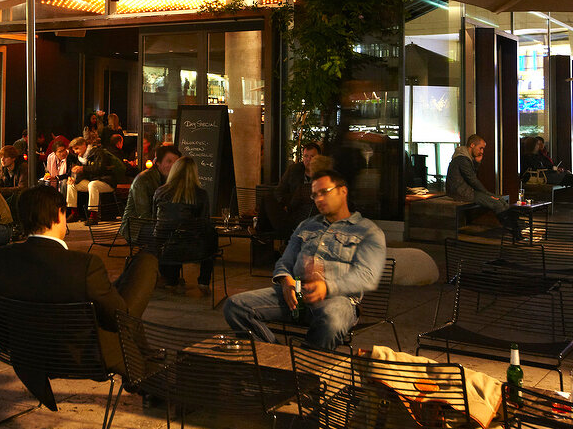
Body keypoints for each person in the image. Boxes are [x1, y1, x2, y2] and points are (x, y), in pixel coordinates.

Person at [0, 186, 157, 380]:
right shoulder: (83, 265)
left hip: (26, 354)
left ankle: (148, 365)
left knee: (112, 290)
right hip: (82, 357)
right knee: (146, 263)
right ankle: (147, 372)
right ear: (59, 214)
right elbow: (119, 320)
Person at [223, 170, 385, 350]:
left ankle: (303, 366)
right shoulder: (307, 225)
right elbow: (285, 261)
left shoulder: (367, 231)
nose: (319, 199)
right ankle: (280, 358)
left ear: (343, 191)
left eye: (325, 192)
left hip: (337, 299)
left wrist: (327, 286)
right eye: (315, 195)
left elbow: (367, 275)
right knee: (235, 306)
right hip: (295, 294)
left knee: (332, 319)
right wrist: (286, 281)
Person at [152, 157, 216, 294]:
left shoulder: (160, 192)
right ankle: (203, 281)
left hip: (161, 248)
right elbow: (205, 223)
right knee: (212, 235)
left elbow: (154, 219)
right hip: (191, 249)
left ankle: (171, 280)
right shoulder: (200, 194)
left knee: (172, 233)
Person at [445, 134, 515, 232]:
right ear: (472, 145)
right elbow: (472, 180)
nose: (482, 152)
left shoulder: (465, 158)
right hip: (461, 193)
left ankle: (514, 227)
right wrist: (487, 193)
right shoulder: (462, 159)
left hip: (466, 190)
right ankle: (512, 231)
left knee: (501, 200)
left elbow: (471, 177)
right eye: (480, 148)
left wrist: (476, 163)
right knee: (497, 203)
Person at [261, 142, 321, 239]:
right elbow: (279, 191)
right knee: (267, 198)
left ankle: (261, 233)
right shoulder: (294, 170)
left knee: (266, 200)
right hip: (292, 210)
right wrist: (284, 204)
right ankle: (261, 234)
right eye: (306, 156)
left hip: (311, 217)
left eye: (312, 156)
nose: (309, 160)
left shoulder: (324, 174)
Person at [121, 144, 180, 235]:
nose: (172, 166)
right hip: (135, 227)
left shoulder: (172, 179)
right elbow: (144, 215)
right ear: (158, 163)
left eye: (176, 163)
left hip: (157, 223)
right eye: (168, 161)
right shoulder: (143, 180)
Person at [65, 134, 121, 225]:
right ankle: (74, 213)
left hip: (106, 181)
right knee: (72, 185)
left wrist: (83, 168)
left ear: (84, 145)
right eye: (74, 149)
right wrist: (73, 179)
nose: (75, 152)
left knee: (93, 184)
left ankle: (93, 215)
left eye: (77, 148)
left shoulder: (98, 152)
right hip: (93, 181)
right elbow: (82, 174)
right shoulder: (81, 158)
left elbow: (100, 169)